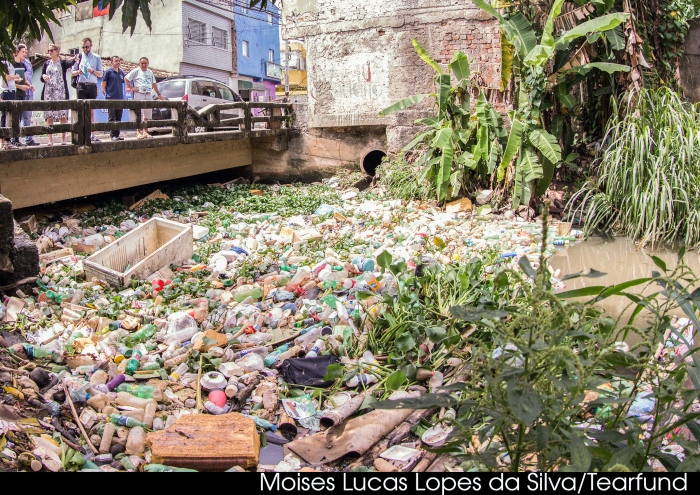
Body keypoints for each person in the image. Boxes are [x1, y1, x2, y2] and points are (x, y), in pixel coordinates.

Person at [124, 57, 165, 139]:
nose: (143, 65)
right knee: (139, 113)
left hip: (148, 94)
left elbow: (154, 84)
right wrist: (132, 88)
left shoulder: (150, 72)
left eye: (145, 63)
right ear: (139, 64)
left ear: (148, 64)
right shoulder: (136, 71)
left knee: (147, 114)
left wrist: (159, 94)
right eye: (142, 63)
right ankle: (138, 132)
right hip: (139, 93)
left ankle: (145, 132)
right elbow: (126, 78)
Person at [71, 37, 103, 142]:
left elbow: (101, 74)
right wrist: (79, 71)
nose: (85, 49)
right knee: (81, 111)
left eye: (87, 47)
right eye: (83, 47)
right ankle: (82, 133)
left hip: (92, 85)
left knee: (91, 112)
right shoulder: (78, 57)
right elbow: (72, 72)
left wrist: (92, 70)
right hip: (81, 85)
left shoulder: (97, 57)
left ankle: (91, 134)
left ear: (91, 46)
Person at [41, 44, 73, 146]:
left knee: (62, 115)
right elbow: (42, 78)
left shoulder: (63, 63)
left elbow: (71, 61)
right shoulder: (46, 64)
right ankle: (50, 139)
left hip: (60, 92)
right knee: (49, 116)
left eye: (51, 50)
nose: (49, 52)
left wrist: (77, 58)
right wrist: (44, 76)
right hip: (49, 92)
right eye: (48, 50)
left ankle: (63, 138)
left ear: (57, 51)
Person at [12, 44, 38, 147]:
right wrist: (20, 86)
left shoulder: (25, 64)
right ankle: (14, 139)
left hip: (25, 93)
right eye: (23, 51)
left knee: (27, 117)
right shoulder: (12, 64)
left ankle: (27, 139)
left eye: (26, 51)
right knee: (15, 118)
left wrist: (29, 85)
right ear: (17, 52)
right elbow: (10, 81)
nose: (25, 53)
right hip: (16, 93)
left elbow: (25, 79)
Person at [1, 46, 21, 150]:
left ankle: (7, 141)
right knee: (6, 116)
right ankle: (6, 141)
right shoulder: (5, 63)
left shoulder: (8, 63)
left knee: (9, 116)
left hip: (11, 90)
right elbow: (6, 77)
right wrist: (16, 77)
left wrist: (15, 80)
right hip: (7, 91)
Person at [101, 56, 125, 141]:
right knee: (112, 117)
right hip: (111, 98)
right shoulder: (108, 72)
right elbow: (103, 84)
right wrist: (106, 93)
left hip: (120, 98)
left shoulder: (121, 72)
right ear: (111, 62)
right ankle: (112, 135)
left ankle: (117, 135)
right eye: (116, 61)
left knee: (119, 117)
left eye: (119, 61)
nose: (118, 62)